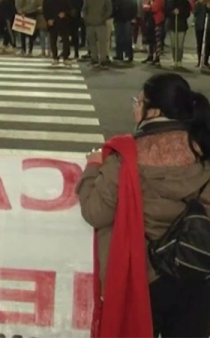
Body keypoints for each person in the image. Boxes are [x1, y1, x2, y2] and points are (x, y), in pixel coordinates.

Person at [78, 73, 210, 337]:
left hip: (145, 276)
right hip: (199, 271)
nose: (134, 106)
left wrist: (93, 168)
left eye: (139, 102)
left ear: (155, 111)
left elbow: (96, 212)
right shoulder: (203, 148)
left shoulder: (125, 155)